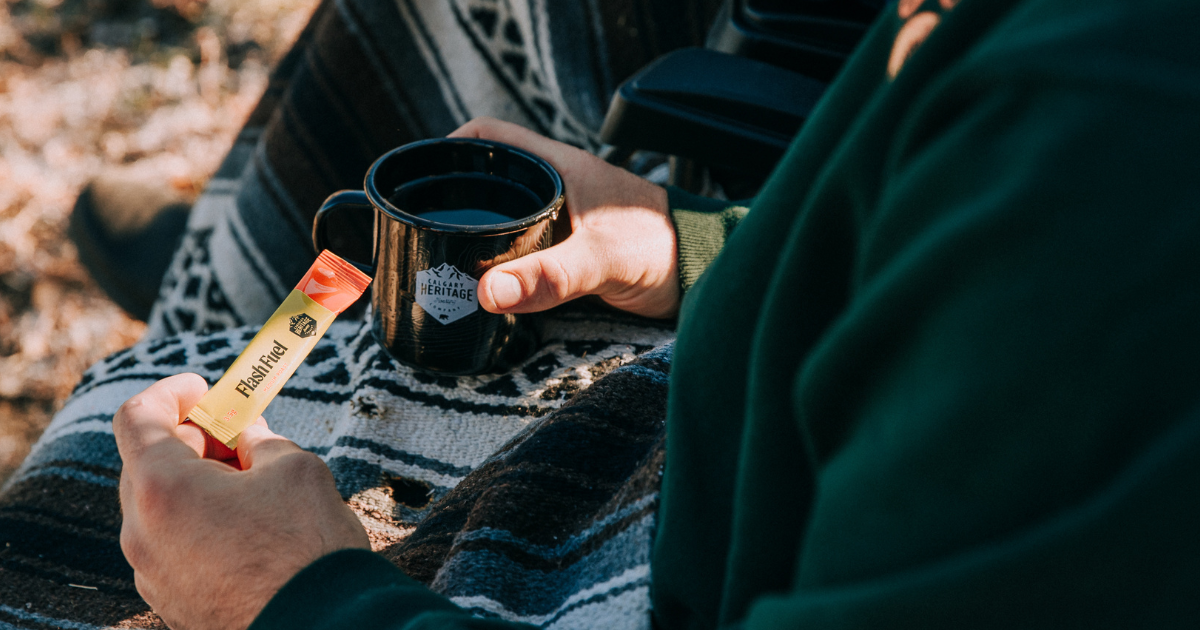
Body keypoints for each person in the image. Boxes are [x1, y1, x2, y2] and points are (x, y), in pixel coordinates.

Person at [114, 0, 1200, 629]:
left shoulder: (1107, 155)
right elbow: (922, 226)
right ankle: (243, 271)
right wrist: (698, 242)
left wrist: (293, 596)